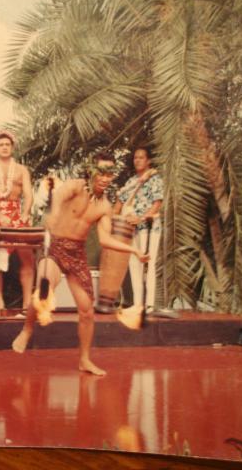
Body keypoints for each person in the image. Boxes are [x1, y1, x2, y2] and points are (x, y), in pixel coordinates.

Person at [11, 152, 148, 376]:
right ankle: (27, 330)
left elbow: (105, 239)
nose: (105, 178)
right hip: (55, 247)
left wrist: (133, 250)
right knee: (45, 287)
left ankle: (84, 360)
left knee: (86, 311)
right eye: (101, 172)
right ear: (91, 171)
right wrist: (54, 214)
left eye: (109, 174)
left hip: (77, 254)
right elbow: (58, 196)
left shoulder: (104, 206)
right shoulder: (75, 186)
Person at [0, 130, 35, 313]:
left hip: (17, 214)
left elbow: (28, 194)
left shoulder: (21, 170)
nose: (4, 147)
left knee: (27, 257)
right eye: (1, 145)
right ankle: (0, 303)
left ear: (12, 147)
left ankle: (27, 303)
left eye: (7, 144)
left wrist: (25, 213)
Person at [114, 147, 163, 316]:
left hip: (150, 228)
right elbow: (119, 204)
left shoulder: (155, 179)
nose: (137, 160)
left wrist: (141, 218)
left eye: (141, 158)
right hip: (131, 229)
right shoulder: (131, 182)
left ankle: (149, 305)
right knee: (134, 265)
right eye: (135, 158)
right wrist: (118, 219)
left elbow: (157, 204)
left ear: (148, 161)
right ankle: (137, 304)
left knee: (150, 264)